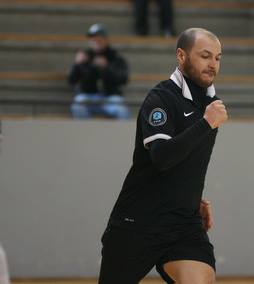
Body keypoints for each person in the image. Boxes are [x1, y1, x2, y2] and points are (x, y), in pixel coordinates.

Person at [98, 28, 227, 284]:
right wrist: (205, 123)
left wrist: (191, 196)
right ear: (181, 56)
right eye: (205, 56)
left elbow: (185, 161)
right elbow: (162, 158)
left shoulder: (210, 105)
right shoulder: (161, 99)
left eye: (218, 58)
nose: (213, 64)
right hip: (138, 222)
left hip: (183, 224)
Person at [69, 23, 131, 119]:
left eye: (99, 39)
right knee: (78, 104)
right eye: (93, 39)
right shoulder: (84, 57)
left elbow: (123, 79)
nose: (96, 41)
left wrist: (106, 67)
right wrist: (77, 64)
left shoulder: (115, 58)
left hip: (110, 98)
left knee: (121, 109)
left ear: (106, 40)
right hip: (89, 97)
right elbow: (71, 80)